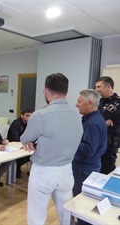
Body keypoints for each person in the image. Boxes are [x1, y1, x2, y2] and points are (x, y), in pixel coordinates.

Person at [20, 73, 83, 225]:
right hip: (67, 171)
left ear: (46, 91)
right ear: (66, 92)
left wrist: (32, 143)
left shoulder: (40, 115)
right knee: (66, 214)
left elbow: (24, 139)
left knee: (37, 216)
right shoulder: (76, 115)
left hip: (44, 172)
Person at [73, 89, 107, 225]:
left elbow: (88, 149)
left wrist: (72, 141)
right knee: (85, 201)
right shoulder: (96, 119)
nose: (76, 105)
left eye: (79, 102)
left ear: (89, 103)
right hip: (89, 166)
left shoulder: (93, 123)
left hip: (84, 168)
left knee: (82, 203)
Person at [95, 76, 120, 174]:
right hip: (99, 141)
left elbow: (101, 116)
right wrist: (103, 120)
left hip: (110, 144)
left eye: (99, 87)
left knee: (106, 171)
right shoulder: (101, 101)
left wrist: (101, 119)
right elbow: (94, 117)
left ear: (108, 86)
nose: (96, 90)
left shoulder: (117, 102)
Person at [7, 109, 32, 178]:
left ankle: (17, 167)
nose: (29, 118)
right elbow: (16, 138)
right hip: (13, 145)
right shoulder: (16, 123)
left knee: (31, 154)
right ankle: (16, 168)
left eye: (30, 116)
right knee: (23, 156)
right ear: (22, 115)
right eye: (27, 116)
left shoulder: (29, 123)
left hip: (22, 144)